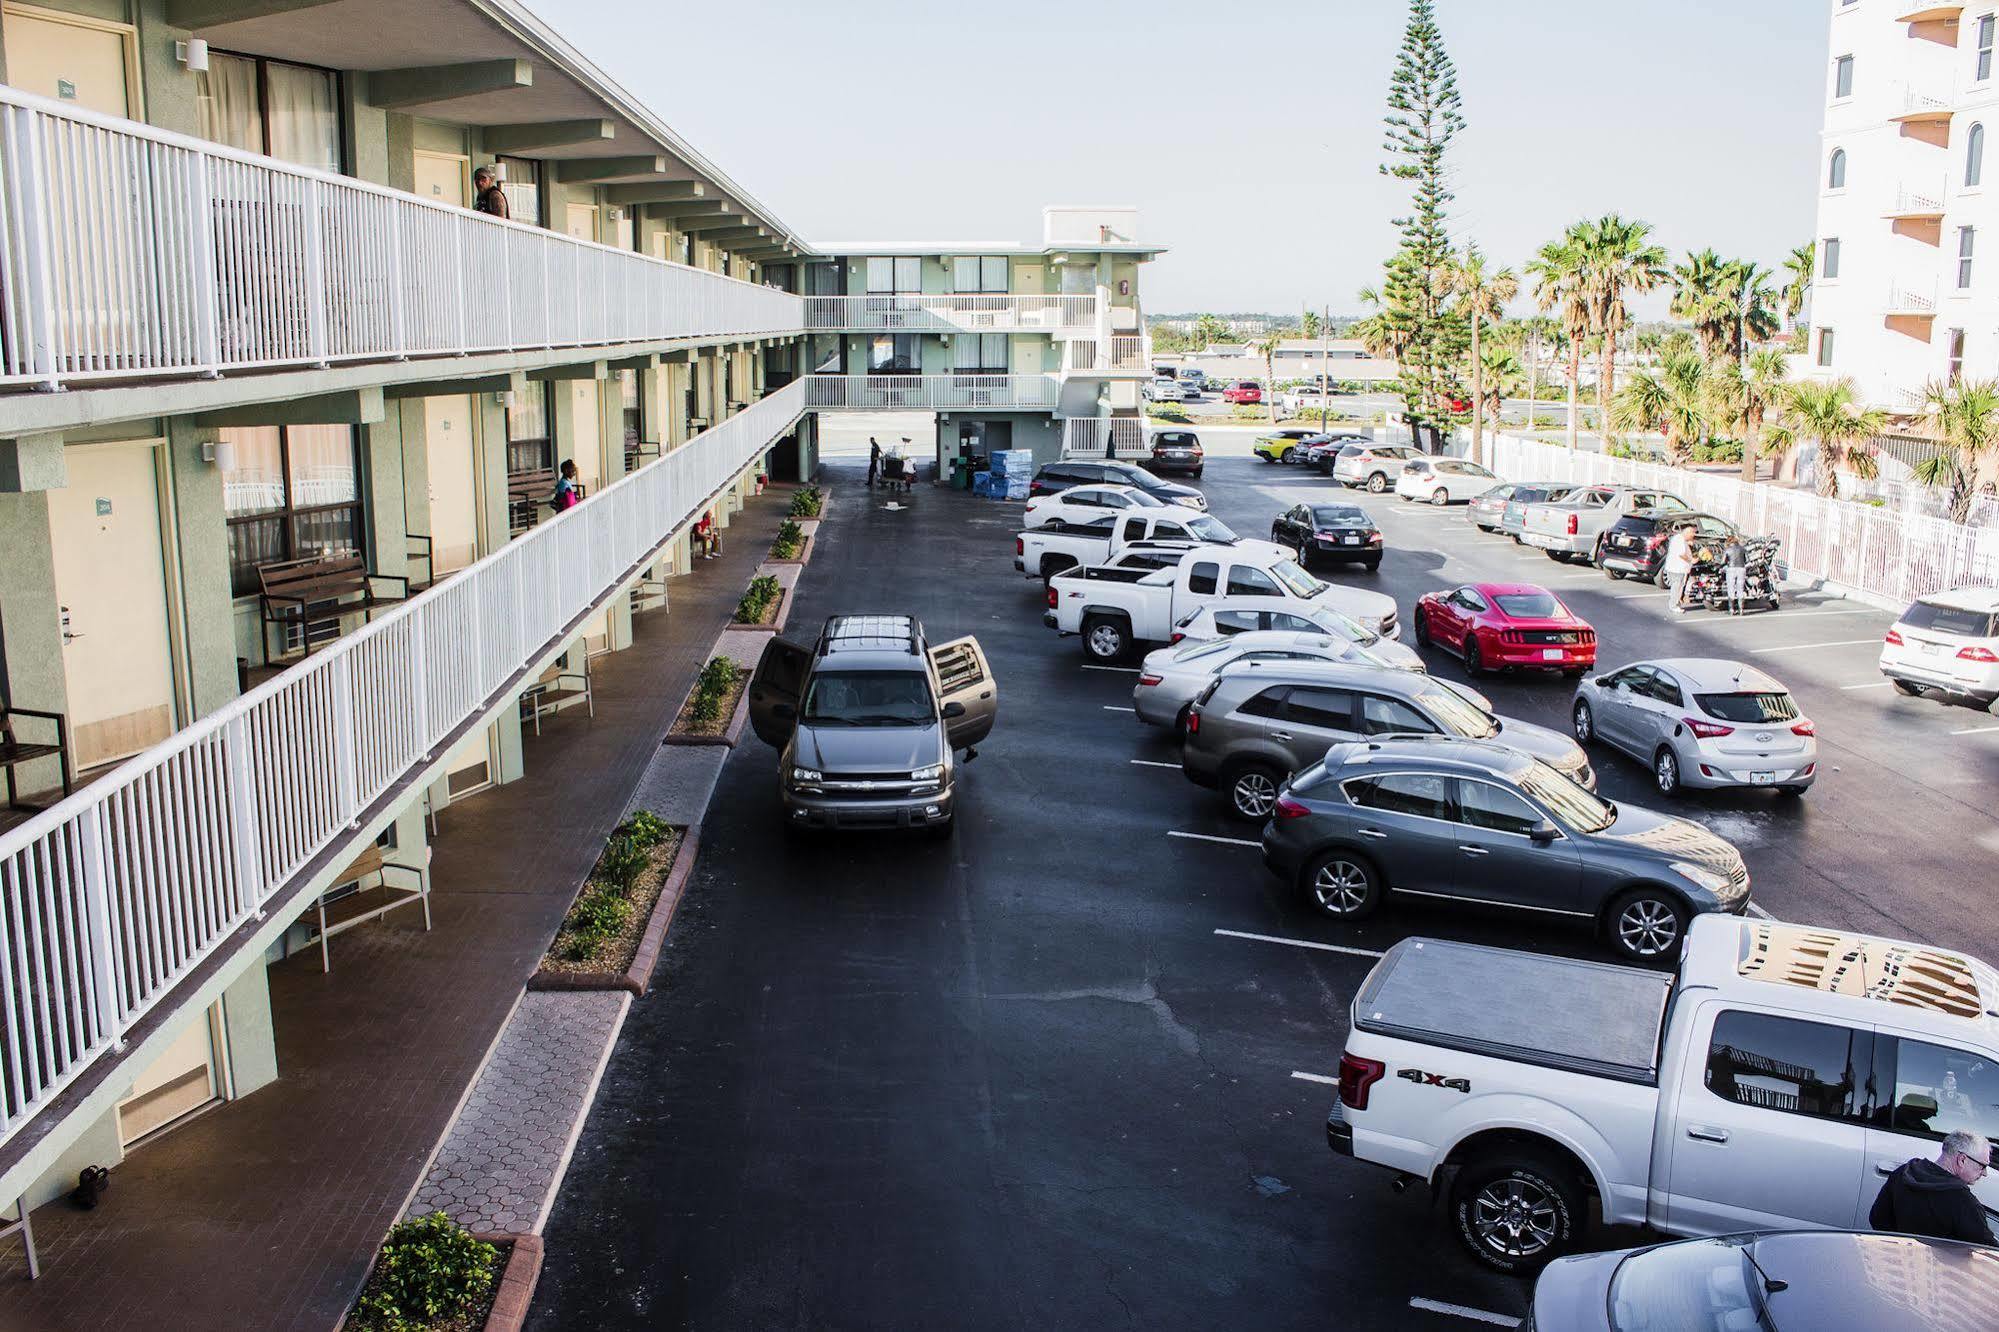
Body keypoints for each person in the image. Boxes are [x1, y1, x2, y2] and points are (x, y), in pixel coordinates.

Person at [1870, 1129, 1997, 1245]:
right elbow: (1986, 1247)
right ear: (1962, 1160)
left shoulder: (1902, 1173)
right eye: (1982, 1166)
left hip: (1895, 1260)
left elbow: (1876, 1218)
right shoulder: (1962, 1201)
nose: (1985, 1173)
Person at [1662, 522, 1696, 613]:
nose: (1693, 535)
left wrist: (1688, 543)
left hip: (1675, 568)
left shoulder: (1679, 538)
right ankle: (1674, 605)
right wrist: (1691, 560)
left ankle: (1675, 603)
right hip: (1677, 569)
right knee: (1677, 587)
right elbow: (1681, 554)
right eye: (1693, 533)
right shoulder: (1680, 540)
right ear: (1687, 532)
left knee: (1678, 586)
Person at [1721, 533, 1748, 616]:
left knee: (1731, 589)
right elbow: (1747, 560)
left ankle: (1731, 609)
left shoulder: (1727, 549)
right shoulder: (1743, 549)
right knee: (1740, 589)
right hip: (1741, 569)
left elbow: (1722, 562)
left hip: (1731, 569)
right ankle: (1741, 610)